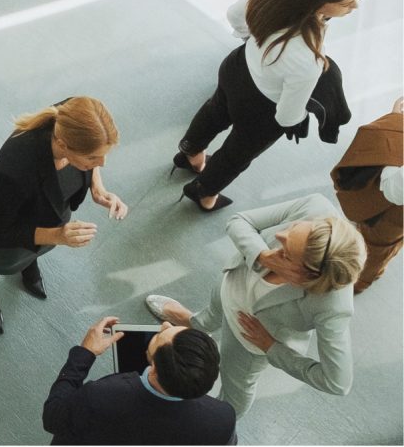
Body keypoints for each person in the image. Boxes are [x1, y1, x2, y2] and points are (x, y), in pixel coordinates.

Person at [145, 194, 367, 416]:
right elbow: (239, 221)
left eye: (286, 254)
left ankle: (220, 421)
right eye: (294, 228)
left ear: (307, 275)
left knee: (235, 387)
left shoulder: (334, 307)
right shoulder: (315, 207)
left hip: (247, 340)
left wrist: (272, 347)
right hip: (231, 282)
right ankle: (195, 323)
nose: (279, 235)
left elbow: (337, 382)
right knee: (211, 314)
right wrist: (260, 255)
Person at [175, 0, 361, 212]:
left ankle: (190, 152)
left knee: (214, 111)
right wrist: (302, 116)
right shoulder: (309, 59)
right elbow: (286, 117)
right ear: (317, 2)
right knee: (236, 154)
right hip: (261, 108)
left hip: (237, 67)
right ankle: (204, 192)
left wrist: (254, 41)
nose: (356, 5)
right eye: (346, 2)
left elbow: (234, 14)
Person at [0, 97, 130, 334]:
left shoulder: (73, 116)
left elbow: (91, 163)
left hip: (48, 215)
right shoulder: (16, 169)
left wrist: (98, 189)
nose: (101, 163)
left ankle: (29, 263)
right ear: (63, 145)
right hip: (9, 230)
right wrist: (58, 236)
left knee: (33, 252)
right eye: (93, 158)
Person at [43, 316, 235, 444]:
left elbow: (53, 417)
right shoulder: (223, 419)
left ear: (153, 369)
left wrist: (84, 354)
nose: (166, 324)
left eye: (159, 336)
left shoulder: (101, 396)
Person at [332, 97, 402, 294]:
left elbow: (393, 190)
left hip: (395, 207)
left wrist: (396, 121)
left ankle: (361, 280)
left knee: (377, 244)